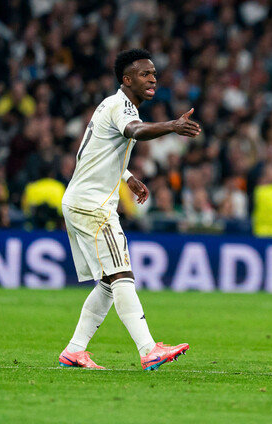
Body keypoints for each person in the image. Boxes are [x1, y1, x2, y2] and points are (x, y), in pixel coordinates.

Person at [59, 49, 200, 370]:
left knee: (109, 282)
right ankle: (149, 349)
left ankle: (75, 350)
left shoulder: (110, 104)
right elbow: (135, 130)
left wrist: (128, 177)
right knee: (122, 274)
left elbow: (92, 152)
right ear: (127, 79)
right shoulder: (122, 106)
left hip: (82, 201)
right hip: (93, 206)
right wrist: (172, 125)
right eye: (144, 74)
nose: (152, 79)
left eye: (154, 74)